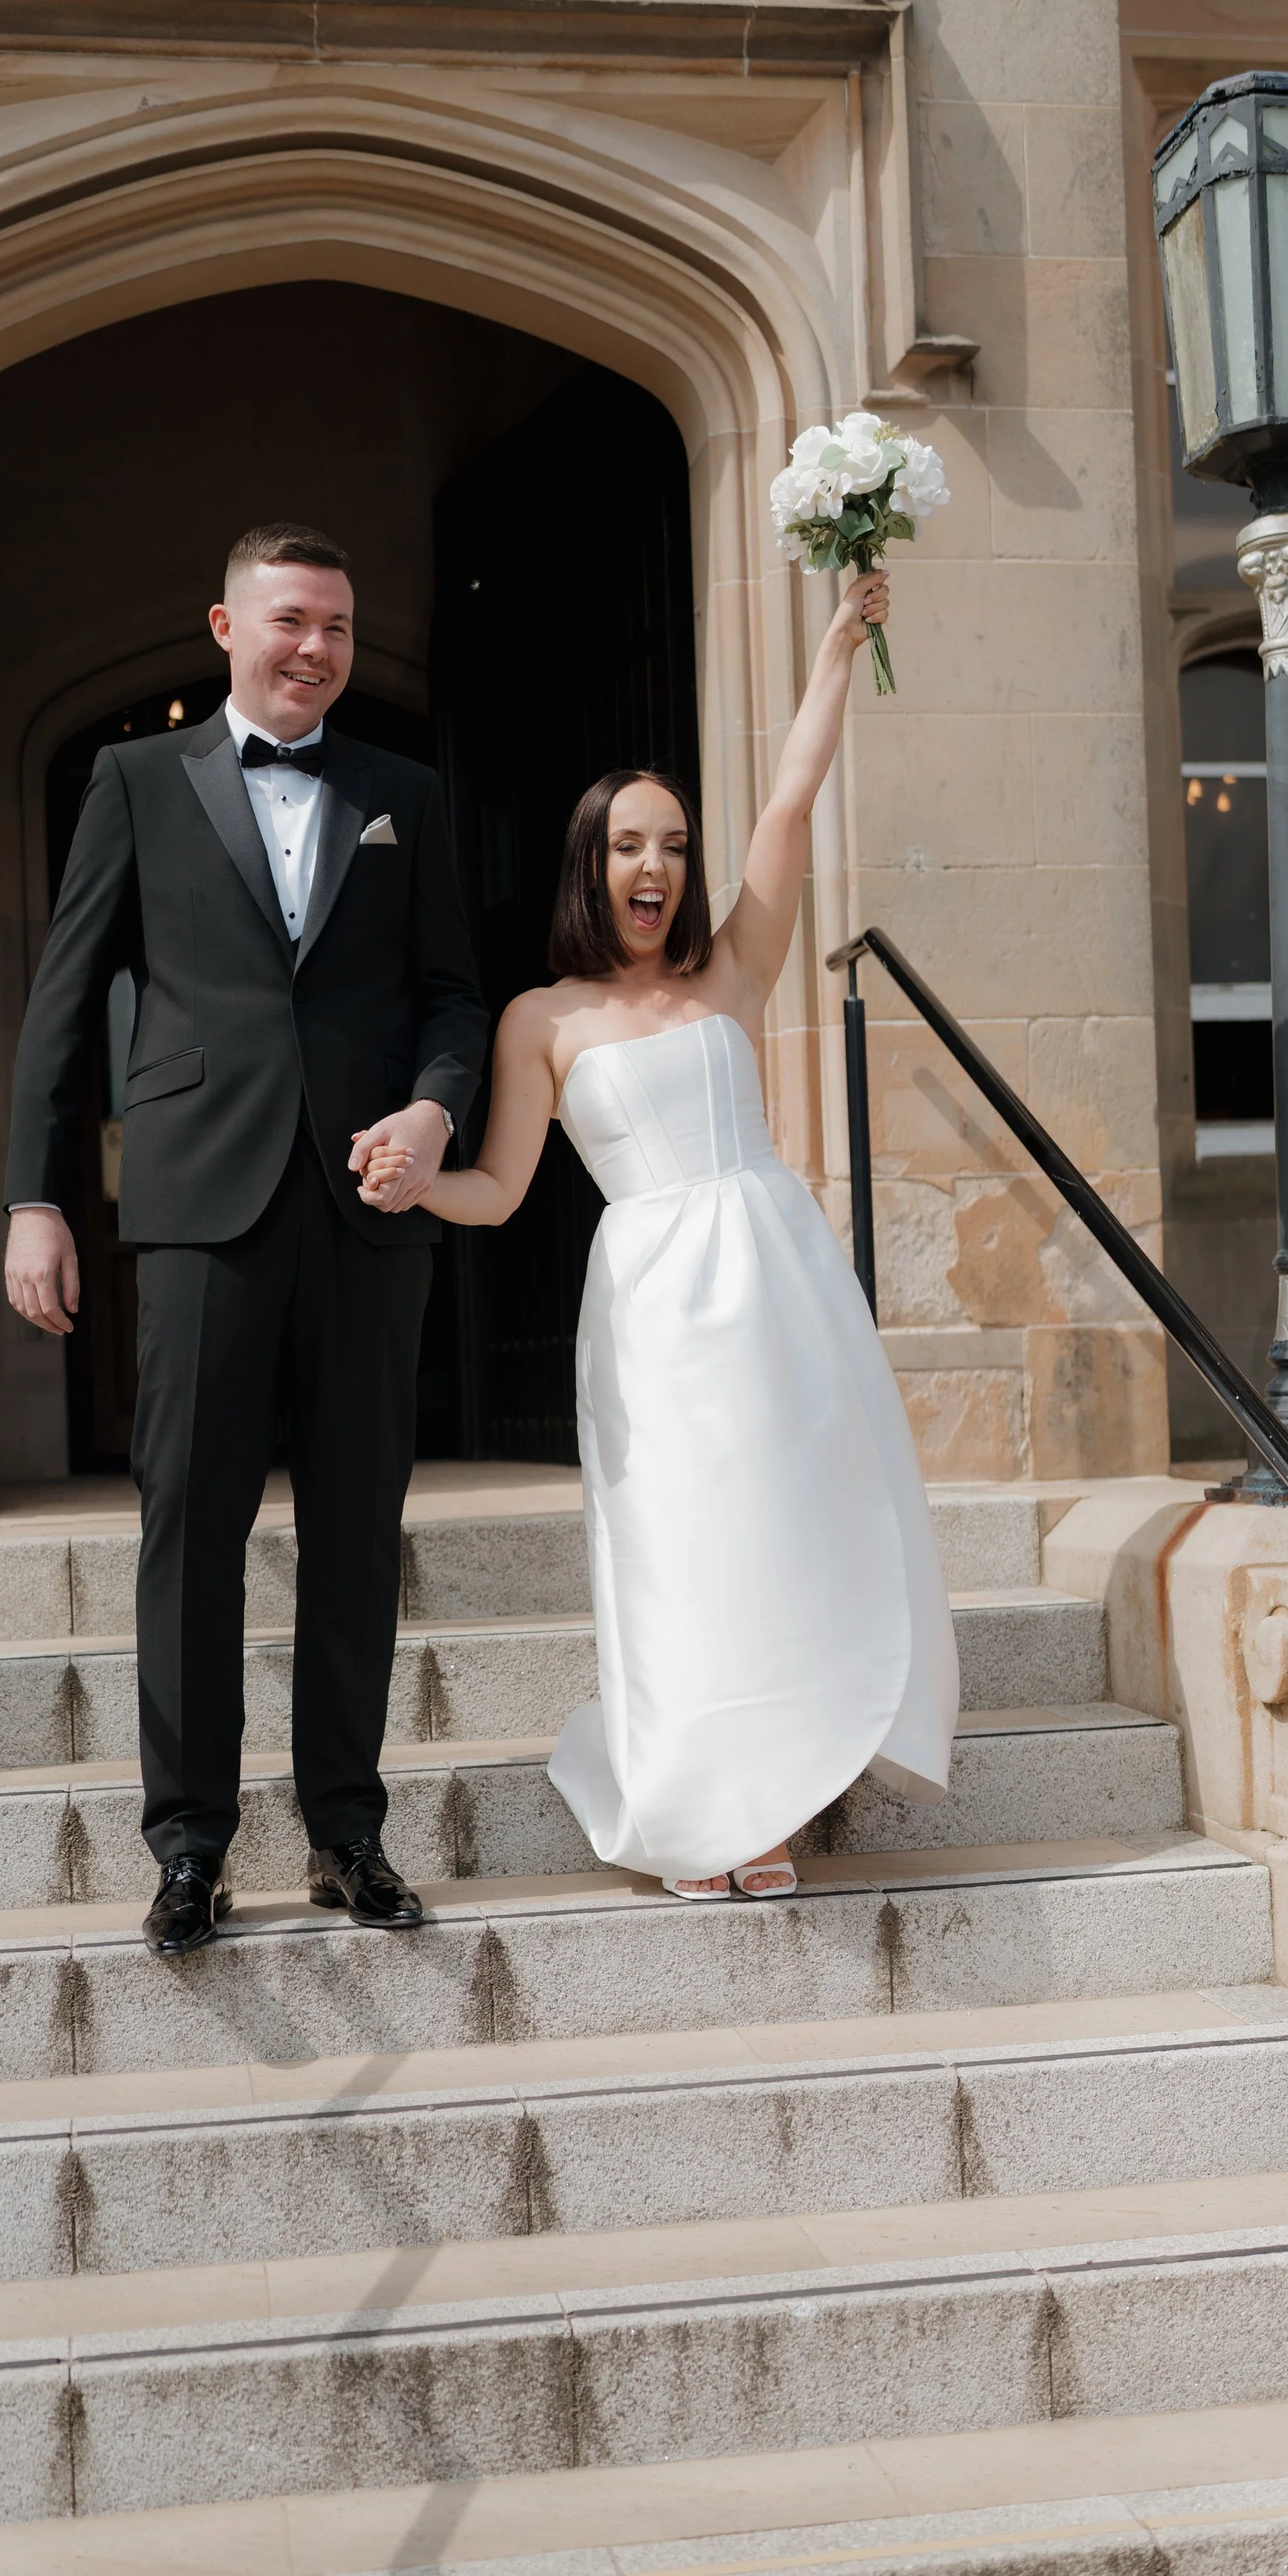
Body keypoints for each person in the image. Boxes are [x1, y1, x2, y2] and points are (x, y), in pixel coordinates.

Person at [362, 567, 956, 1898]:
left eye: (675, 845)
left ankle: (782, 1790)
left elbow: (792, 799)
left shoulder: (729, 968)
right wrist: (414, 1182)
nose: (658, 866)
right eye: (633, 844)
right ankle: (704, 1804)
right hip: (651, 1301)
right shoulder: (542, 1019)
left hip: (778, 1275)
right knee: (689, 1544)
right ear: (592, 862)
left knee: (788, 1519)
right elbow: (503, 1188)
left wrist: (835, 652)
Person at [4, 522, 487, 1953]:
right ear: (225, 628)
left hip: (367, 1211)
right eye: (289, 620)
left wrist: (432, 1113)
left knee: (354, 1527)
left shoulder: (404, 793)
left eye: (336, 625)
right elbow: (61, 993)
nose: (315, 648)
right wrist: (37, 1198)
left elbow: (454, 997)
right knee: (188, 1534)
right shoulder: (133, 782)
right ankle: (188, 1848)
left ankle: (347, 1833)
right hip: (198, 1207)